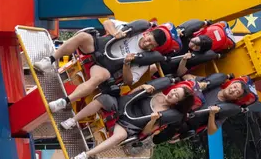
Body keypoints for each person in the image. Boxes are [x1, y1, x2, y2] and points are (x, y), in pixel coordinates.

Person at [34, 19, 168, 113]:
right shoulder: (134, 29)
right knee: (83, 36)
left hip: (105, 68)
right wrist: (115, 33)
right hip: (97, 49)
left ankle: (64, 101)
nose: (147, 44)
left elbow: (129, 81)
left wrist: (127, 64)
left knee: (99, 77)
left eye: (152, 45)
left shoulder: (145, 59)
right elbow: (107, 22)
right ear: (147, 34)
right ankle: (49, 60)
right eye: (149, 40)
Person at [60, 77, 197, 159]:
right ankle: (73, 120)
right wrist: (143, 87)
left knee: (120, 136)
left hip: (130, 123)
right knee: (103, 100)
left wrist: (152, 120)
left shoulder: (167, 114)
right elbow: (132, 95)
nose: (172, 94)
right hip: (123, 105)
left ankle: (87, 154)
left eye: (176, 96)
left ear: (178, 102)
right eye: (174, 91)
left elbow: (146, 132)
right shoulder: (158, 92)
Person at [153, 74, 255, 144]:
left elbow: (211, 131)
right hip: (179, 103)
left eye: (237, 92)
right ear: (231, 84)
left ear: (237, 98)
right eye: (234, 87)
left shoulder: (226, 108)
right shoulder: (214, 85)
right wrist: (198, 84)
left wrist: (212, 114)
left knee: (161, 136)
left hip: (185, 121)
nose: (233, 90)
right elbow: (187, 76)